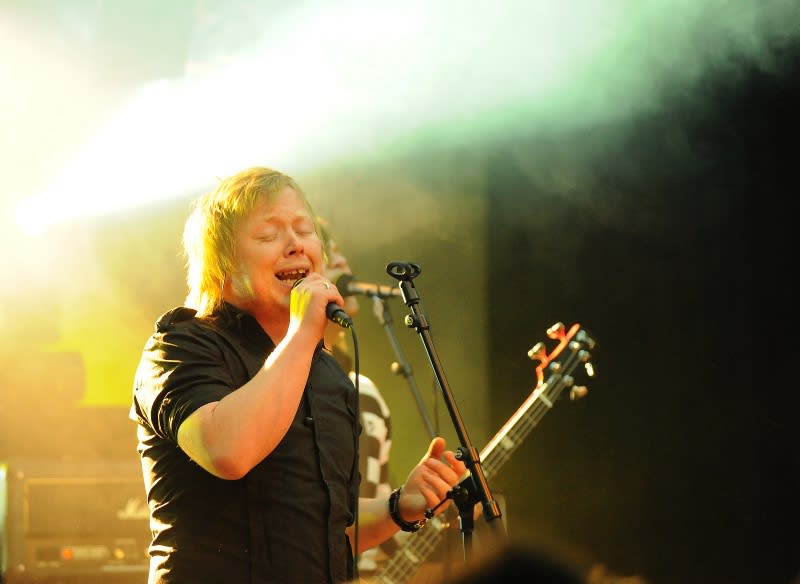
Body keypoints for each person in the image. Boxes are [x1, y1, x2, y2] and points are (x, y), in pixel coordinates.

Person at [129, 166, 467, 583]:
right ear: (223, 263)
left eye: (305, 230)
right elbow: (228, 452)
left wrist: (399, 507)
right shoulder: (178, 347)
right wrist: (304, 333)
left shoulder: (327, 376)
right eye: (268, 235)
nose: (296, 245)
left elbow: (327, 536)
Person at [317, 217, 407, 577]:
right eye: (330, 255)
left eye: (341, 254)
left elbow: (371, 506)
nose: (343, 264)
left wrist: (425, 506)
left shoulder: (363, 392)